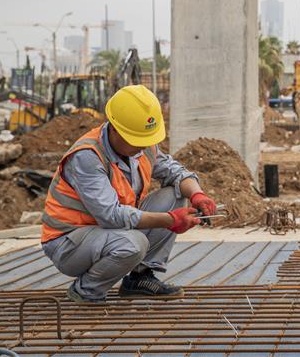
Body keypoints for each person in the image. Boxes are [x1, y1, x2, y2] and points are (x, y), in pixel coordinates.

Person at [41, 84, 217, 304]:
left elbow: (176, 173)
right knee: (133, 244)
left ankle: (139, 278)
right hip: (69, 242)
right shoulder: (87, 156)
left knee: (175, 195)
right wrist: (170, 220)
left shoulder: (144, 147)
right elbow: (111, 215)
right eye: (137, 140)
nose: (143, 147)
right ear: (114, 129)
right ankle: (86, 291)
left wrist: (198, 195)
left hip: (107, 232)